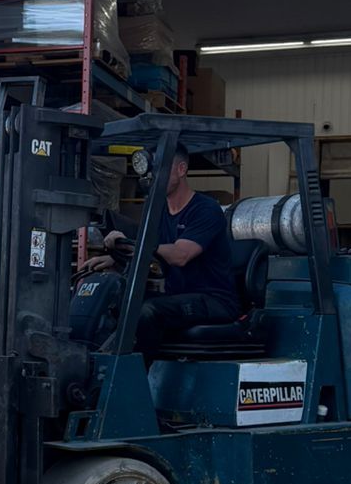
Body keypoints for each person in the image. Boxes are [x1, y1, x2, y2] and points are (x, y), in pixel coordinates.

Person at [84, 144, 239, 364]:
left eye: (158, 169)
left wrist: (135, 245)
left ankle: (135, 379)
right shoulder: (157, 210)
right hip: (176, 297)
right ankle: (95, 365)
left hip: (213, 300)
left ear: (181, 169)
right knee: (114, 301)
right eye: (150, 171)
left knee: (146, 311)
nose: (152, 176)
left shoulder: (205, 209)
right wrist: (115, 258)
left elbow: (180, 255)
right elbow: (155, 252)